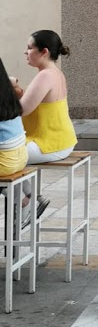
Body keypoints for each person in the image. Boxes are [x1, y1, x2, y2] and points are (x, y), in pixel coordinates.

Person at [10, 30, 77, 227]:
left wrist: (6, 89)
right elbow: (34, 103)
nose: (26, 52)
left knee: (6, 157)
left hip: (48, 143)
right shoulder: (54, 73)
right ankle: (33, 198)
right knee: (7, 158)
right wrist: (17, 92)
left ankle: (26, 202)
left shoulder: (45, 76)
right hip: (58, 140)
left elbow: (21, 110)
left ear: (44, 52)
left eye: (30, 48)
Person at [0, 57, 29, 213]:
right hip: (21, 157)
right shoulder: (8, 92)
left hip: (5, 163)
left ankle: (22, 200)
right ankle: (32, 196)